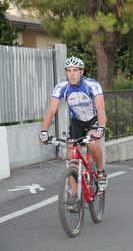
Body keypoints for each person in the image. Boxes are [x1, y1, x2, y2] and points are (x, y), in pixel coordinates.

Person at [39, 56, 108, 192]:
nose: (72, 74)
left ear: (82, 72)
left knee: (93, 144)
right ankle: (74, 196)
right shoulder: (61, 87)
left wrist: (101, 127)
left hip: (93, 120)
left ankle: (101, 172)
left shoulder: (92, 85)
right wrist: (44, 130)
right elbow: (51, 110)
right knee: (71, 156)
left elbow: (100, 108)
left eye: (75, 70)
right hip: (76, 122)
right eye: (69, 70)